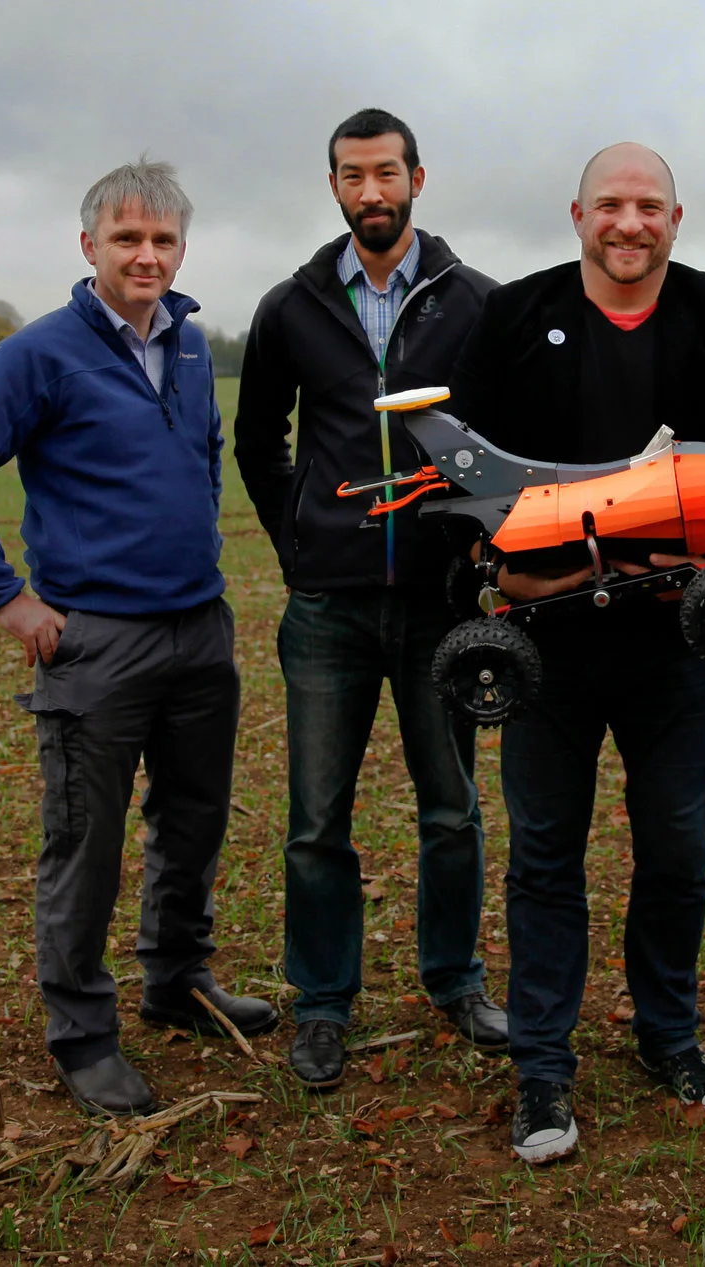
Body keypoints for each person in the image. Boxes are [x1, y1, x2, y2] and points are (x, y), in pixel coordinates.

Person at [448, 142, 705, 1164]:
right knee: (545, 854)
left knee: (677, 848)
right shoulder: (512, 314)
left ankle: (668, 1035)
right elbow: (459, 477)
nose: (628, 224)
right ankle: (542, 1066)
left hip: (673, 645)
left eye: (648, 206)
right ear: (576, 214)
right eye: (610, 205)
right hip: (545, 646)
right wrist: (493, 575)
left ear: (675, 219)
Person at [0, 158, 274, 1117]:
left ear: (182, 249)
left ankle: (177, 979)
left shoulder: (194, 346)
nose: (146, 255)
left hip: (199, 629)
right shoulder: (39, 354)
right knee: (86, 840)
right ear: (89, 248)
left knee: (192, 819)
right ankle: (81, 1034)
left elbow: (204, 453)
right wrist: (12, 601)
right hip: (96, 643)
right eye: (127, 239)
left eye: (162, 240)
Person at [234, 107, 508, 1090]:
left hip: (443, 603)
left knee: (452, 808)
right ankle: (320, 1002)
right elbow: (258, 438)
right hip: (330, 610)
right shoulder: (292, 306)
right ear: (336, 186)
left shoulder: (475, 299)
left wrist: (483, 552)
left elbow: (503, 448)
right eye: (352, 176)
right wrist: (298, 541)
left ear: (417, 180)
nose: (370, 192)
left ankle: (456, 979)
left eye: (385, 173)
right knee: (316, 820)